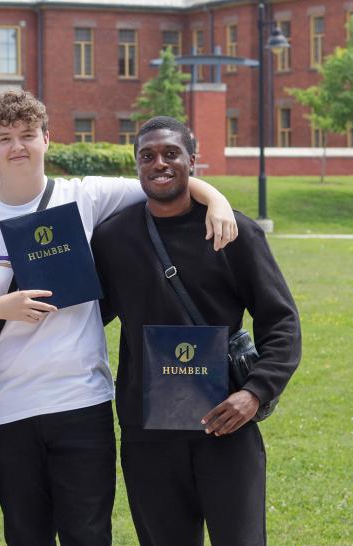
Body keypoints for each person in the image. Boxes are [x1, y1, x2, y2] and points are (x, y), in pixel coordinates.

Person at [0, 90, 240, 545]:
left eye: (28, 135)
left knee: (89, 535)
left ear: (48, 138)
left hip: (81, 401)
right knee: (26, 535)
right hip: (5, 406)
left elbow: (161, 182)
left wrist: (216, 198)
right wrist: (1, 308)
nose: (17, 147)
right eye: (5, 138)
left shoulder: (84, 196)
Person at [91, 116, 301, 546]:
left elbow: (281, 321)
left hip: (226, 424)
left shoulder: (232, 232)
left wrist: (255, 393)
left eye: (171, 153)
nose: (159, 163)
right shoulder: (113, 239)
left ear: (192, 160)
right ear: (137, 166)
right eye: (147, 156)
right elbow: (84, 315)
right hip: (147, 433)